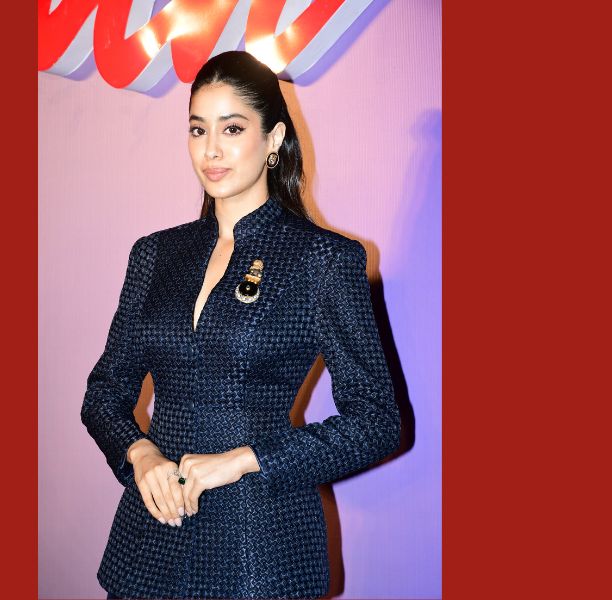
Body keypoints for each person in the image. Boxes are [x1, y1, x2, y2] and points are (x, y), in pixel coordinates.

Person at [81, 50, 401, 600]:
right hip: (150, 538)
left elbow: (376, 421)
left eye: (232, 128)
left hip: (260, 544)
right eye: (198, 129)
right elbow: (104, 393)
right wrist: (140, 454)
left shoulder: (321, 260)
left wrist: (244, 461)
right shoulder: (155, 255)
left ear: (274, 139)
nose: (211, 149)